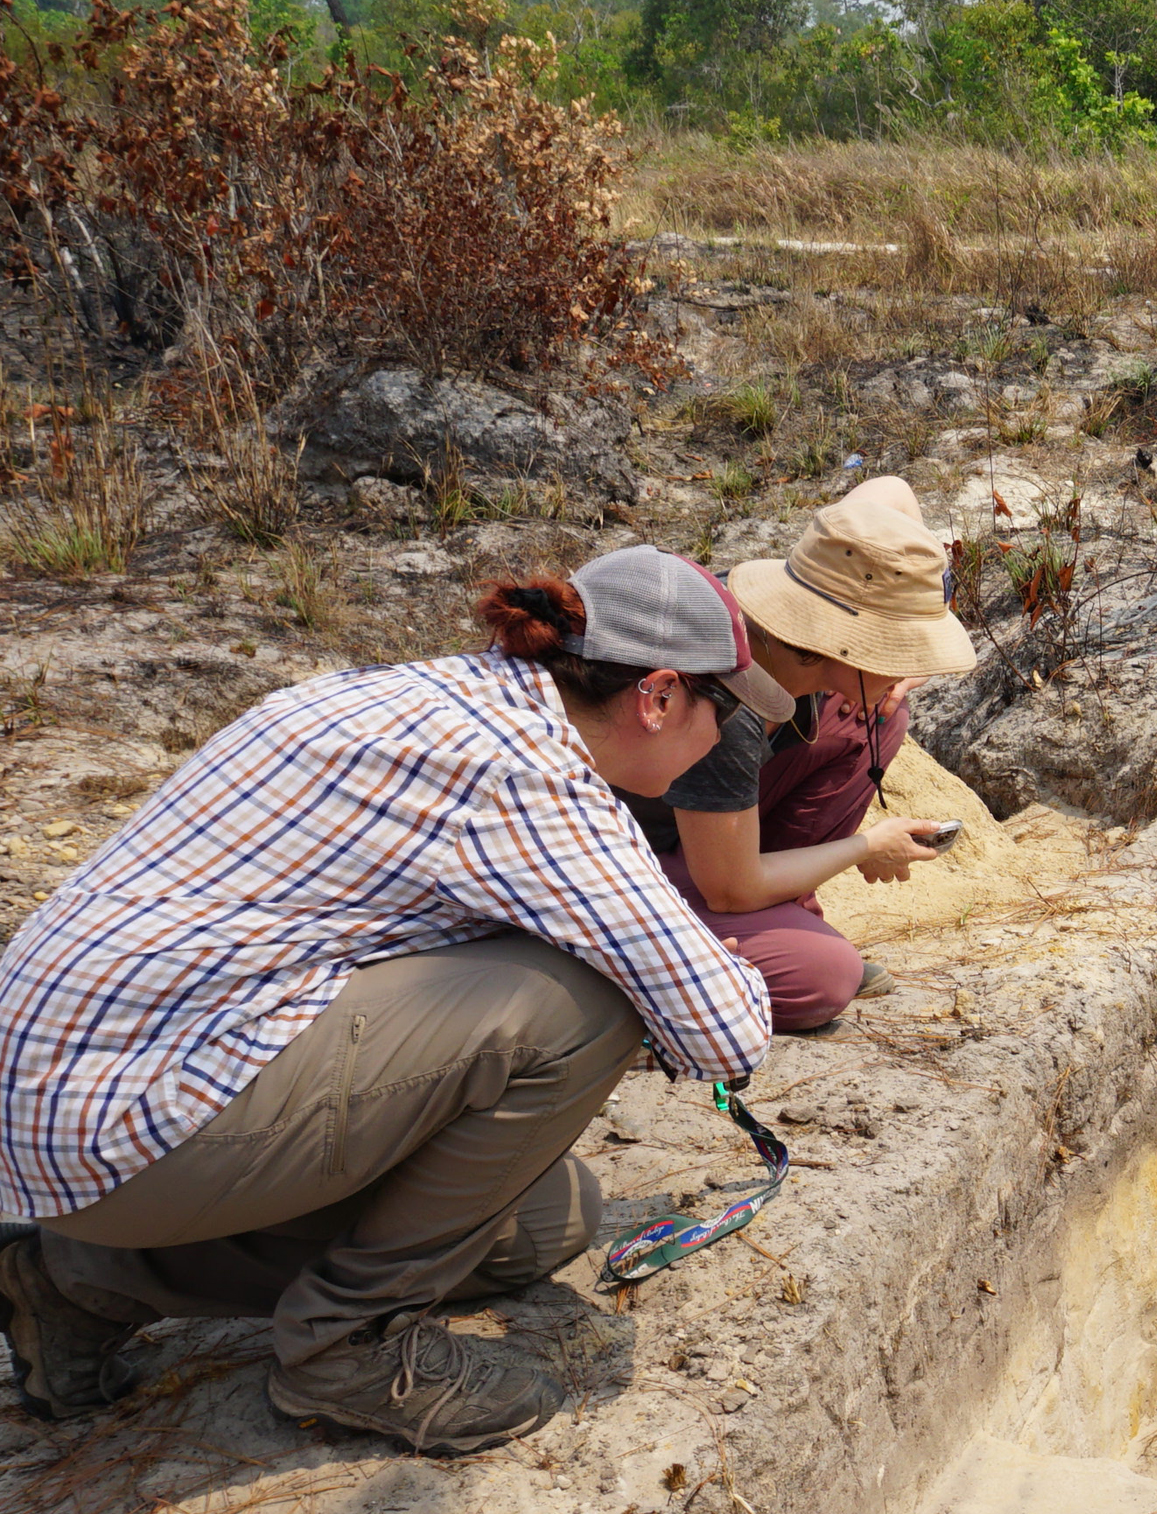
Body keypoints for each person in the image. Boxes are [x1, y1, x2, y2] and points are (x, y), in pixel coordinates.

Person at [0, 549, 786, 1455]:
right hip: (127, 1117)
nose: (728, 738)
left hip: (70, 1116)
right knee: (583, 1006)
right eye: (722, 710)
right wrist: (680, 970)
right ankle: (349, 1350)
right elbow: (725, 1036)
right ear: (656, 697)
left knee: (540, 1224)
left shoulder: (423, 695)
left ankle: (81, 1278)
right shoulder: (530, 776)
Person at [612, 477, 978, 1031]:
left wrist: (896, 662)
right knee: (823, 976)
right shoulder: (726, 702)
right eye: (900, 649)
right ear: (850, 646)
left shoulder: (787, 629)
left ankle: (776, 914)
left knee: (876, 718)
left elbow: (894, 491)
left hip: (688, 825)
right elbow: (731, 889)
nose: (910, 666)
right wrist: (865, 846)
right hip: (619, 852)